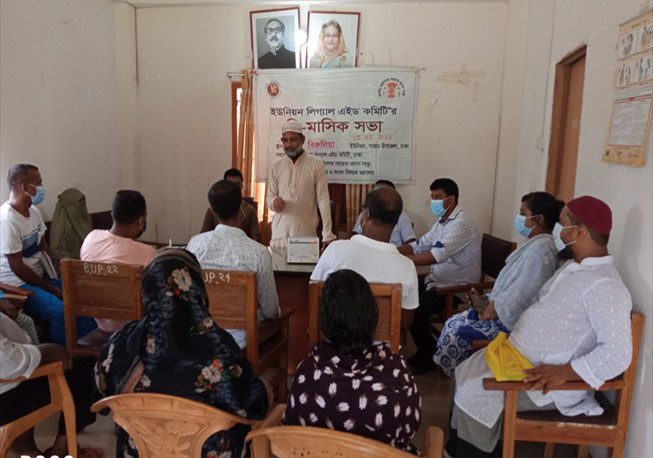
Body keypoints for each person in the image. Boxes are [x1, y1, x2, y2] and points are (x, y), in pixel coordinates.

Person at [446, 196, 633, 458]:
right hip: (518, 359)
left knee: (474, 393)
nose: (557, 230)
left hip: (547, 382)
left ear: (579, 232)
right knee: (463, 372)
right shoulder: (574, 267)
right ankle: (457, 450)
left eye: (562, 224)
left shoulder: (606, 287)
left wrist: (563, 373)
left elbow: (618, 353)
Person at [95, 249, 269, 458]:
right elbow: (253, 403)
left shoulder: (124, 341)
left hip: (140, 452)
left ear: (148, 289)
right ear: (196, 288)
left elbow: (101, 387)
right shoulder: (219, 347)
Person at [283, 269, 421, 453]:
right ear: (373, 318)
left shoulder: (306, 375)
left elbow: (292, 426)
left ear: (324, 321)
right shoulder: (398, 376)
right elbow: (410, 429)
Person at [433, 192, 563, 377]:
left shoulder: (542, 252)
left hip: (512, 321)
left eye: (522, 214)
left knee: (458, 333)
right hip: (499, 307)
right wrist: (486, 301)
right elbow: (513, 284)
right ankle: (459, 375)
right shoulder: (536, 244)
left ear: (539, 219)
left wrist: (494, 308)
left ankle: (464, 376)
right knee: (454, 322)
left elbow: (524, 294)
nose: (518, 218)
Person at [0, 164, 96, 346]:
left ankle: (85, 345)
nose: (42, 187)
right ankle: (65, 356)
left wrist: (60, 269)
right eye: (39, 183)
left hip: (41, 277)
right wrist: (51, 288)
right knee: (60, 310)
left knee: (84, 294)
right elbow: (17, 267)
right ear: (24, 187)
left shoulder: (34, 212)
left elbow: (43, 246)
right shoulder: (6, 220)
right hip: (18, 285)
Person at [398, 178, 481, 374]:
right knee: (404, 292)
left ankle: (428, 358)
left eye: (437, 197)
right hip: (436, 282)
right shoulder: (442, 223)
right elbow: (419, 246)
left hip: (456, 289)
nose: (433, 201)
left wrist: (401, 260)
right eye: (432, 196)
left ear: (450, 200)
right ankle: (428, 350)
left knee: (415, 310)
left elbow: (435, 256)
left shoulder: (462, 223)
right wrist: (390, 251)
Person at [187, 180, 280, 348]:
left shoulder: (195, 246)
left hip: (202, 337)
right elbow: (270, 311)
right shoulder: (259, 253)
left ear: (213, 211)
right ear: (242, 208)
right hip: (242, 343)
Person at [312, 186, 419, 331]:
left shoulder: (335, 250)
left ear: (365, 215)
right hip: (381, 352)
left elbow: (315, 297)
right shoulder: (407, 267)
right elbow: (404, 322)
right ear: (396, 221)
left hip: (332, 349)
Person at [0, 312, 101, 458]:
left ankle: (24, 445)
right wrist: (47, 352)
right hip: (7, 396)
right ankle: (61, 449)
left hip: (10, 380)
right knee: (85, 368)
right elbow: (7, 363)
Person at [80, 190, 157, 333]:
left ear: (112, 215)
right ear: (142, 221)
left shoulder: (91, 238)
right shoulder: (147, 253)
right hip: (134, 328)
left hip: (101, 323)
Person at [266, 120, 336, 247]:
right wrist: (273, 202)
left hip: (306, 236)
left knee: (306, 268)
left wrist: (327, 234)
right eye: (285, 140)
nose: (289, 144)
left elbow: (323, 199)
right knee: (277, 267)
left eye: (293, 139)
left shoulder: (316, 164)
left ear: (302, 139)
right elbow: (269, 197)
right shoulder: (276, 167)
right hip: (279, 235)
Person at [200, 168, 260, 242]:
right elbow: (204, 236)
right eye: (230, 185)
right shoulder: (212, 210)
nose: (233, 189)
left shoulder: (250, 210)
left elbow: (255, 238)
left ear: (241, 187)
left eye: (237, 185)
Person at [352, 180, 416, 246]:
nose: (379, 197)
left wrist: (392, 252)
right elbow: (355, 235)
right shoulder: (366, 212)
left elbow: (411, 244)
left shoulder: (403, 216)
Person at [49, 188, 92, 260]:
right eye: (79, 201)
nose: (82, 204)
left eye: (83, 201)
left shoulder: (84, 218)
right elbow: (56, 251)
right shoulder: (60, 226)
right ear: (70, 204)